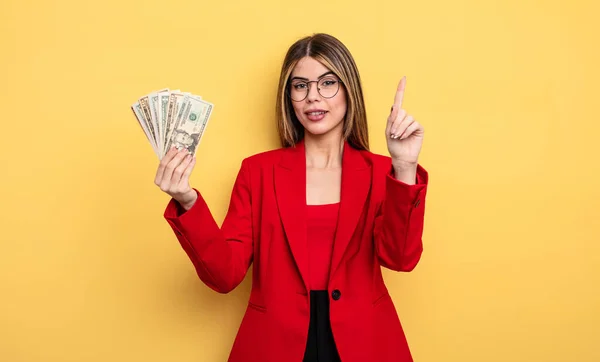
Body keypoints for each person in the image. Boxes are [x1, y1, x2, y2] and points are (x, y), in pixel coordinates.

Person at [153, 33, 429, 362]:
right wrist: (187, 201)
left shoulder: (382, 173)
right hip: (275, 344)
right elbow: (225, 275)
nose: (313, 97)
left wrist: (405, 165)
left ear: (348, 90)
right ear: (289, 97)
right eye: (300, 86)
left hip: (364, 344)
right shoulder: (258, 172)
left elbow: (401, 258)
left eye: (327, 83)